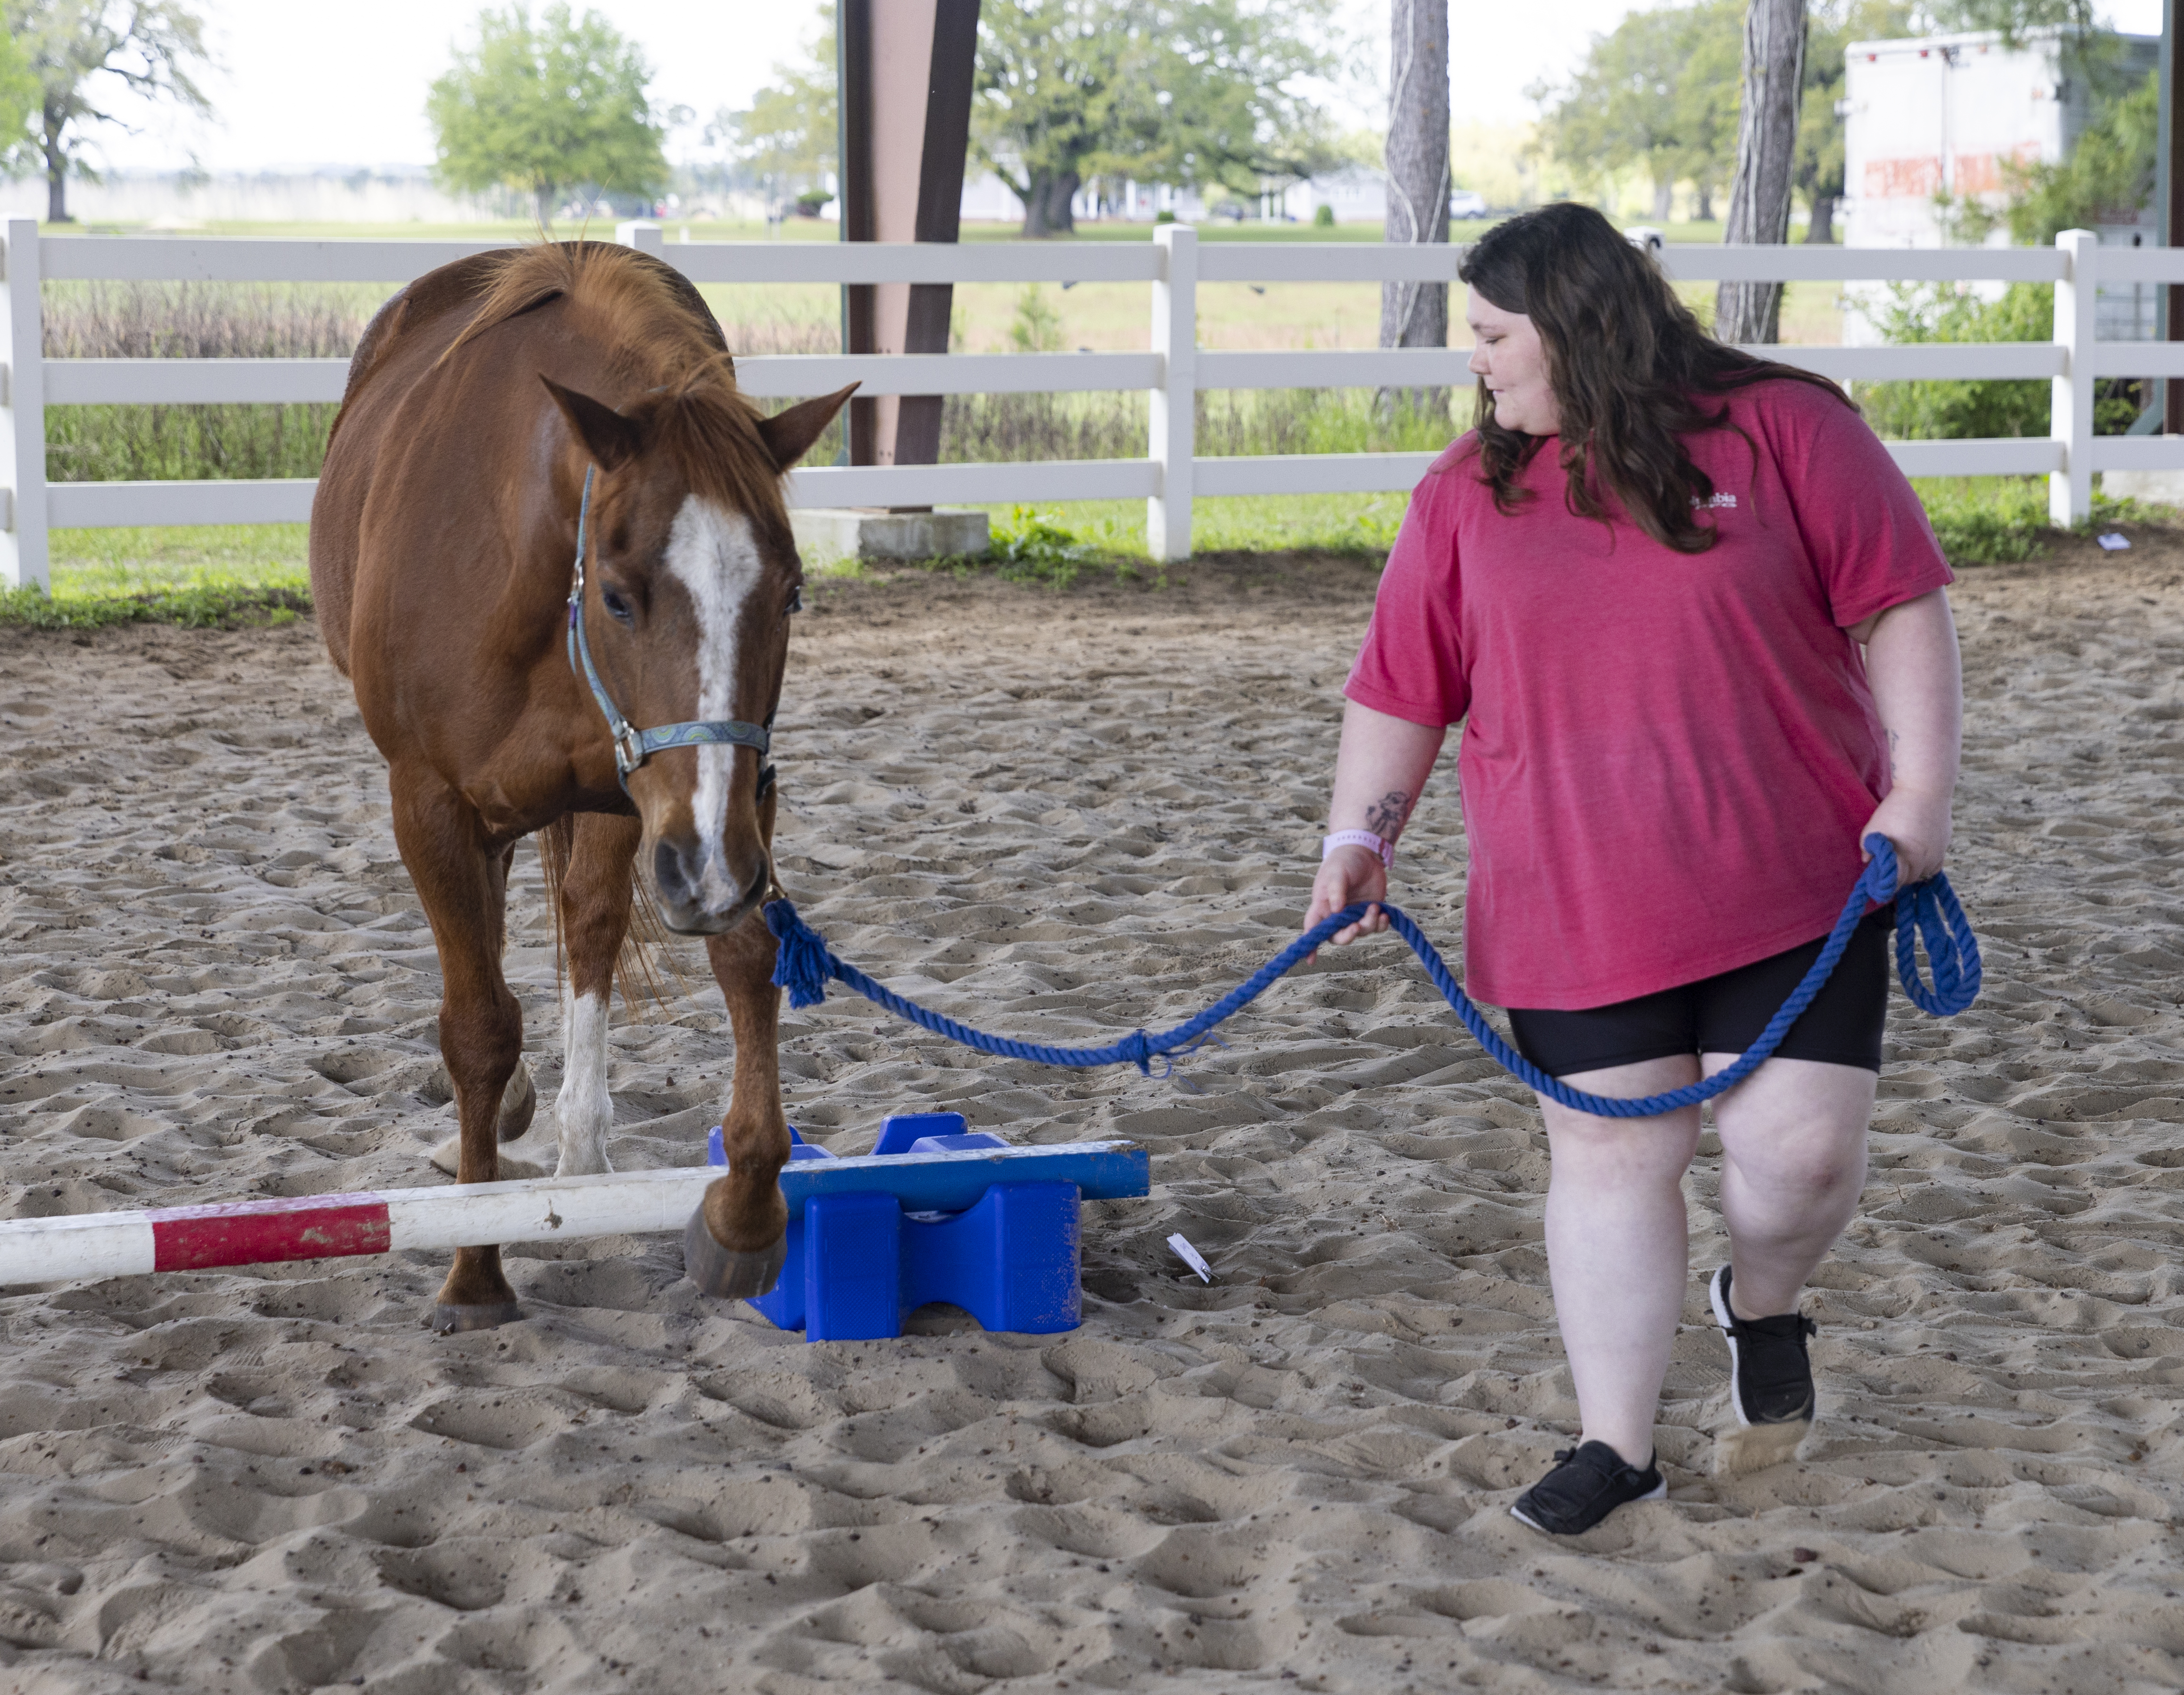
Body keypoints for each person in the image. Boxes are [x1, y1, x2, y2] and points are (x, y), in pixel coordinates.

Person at [1305, 202, 1962, 1537]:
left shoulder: (1790, 432)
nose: (1476, 361)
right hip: (1570, 901)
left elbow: (1899, 605)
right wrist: (1359, 838)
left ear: (1578, 327)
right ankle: (1617, 1444)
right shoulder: (1464, 493)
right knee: (1614, 1159)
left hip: (1800, 881)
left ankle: (1760, 1306)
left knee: (1801, 1162)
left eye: (1495, 335)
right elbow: (1400, 688)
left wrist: (1918, 800)